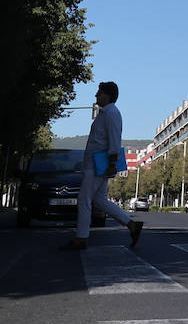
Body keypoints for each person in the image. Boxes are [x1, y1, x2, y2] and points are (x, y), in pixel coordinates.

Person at [61, 81, 142, 250]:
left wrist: (112, 162)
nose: (96, 95)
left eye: (99, 92)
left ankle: (81, 238)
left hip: (99, 165)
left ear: (107, 95)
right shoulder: (105, 113)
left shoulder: (112, 113)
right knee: (100, 201)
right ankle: (132, 225)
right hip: (97, 164)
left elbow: (114, 138)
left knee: (84, 200)